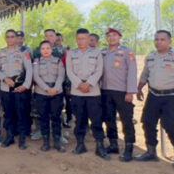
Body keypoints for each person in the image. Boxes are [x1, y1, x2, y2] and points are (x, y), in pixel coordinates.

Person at [135, 30, 174, 170]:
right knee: (148, 122)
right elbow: (145, 74)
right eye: (156, 39)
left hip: (171, 96)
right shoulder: (150, 57)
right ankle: (151, 151)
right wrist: (139, 88)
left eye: (162, 39)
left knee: (171, 125)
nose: (158, 42)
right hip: (153, 95)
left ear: (169, 41)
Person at [67, 28, 108, 159]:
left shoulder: (97, 52)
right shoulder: (71, 53)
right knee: (79, 119)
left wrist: (89, 83)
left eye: (83, 38)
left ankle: (99, 146)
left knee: (96, 120)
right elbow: (69, 71)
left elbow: (99, 70)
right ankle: (80, 144)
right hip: (77, 91)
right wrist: (80, 84)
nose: (81, 41)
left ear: (89, 38)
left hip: (93, 91)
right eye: (78, 38)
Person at [100, 28, 137, 161]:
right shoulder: (103, 52)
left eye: (114, 35)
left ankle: (129, 148)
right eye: (109, 36)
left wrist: (130, 91)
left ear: (119, 37)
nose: (111, 38)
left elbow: (132, 71)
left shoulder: (127, 52)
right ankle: (113, 144)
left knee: (126, 120)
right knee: (109, 119)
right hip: (105, 90)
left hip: (122, 92)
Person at [0, 29, 33, 150]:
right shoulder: (1, 53)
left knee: (20, 114)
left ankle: (21, 139)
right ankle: (9, 137)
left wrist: (25, 85)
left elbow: (30, 69)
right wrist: (4, 78)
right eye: (8, 37)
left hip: (19, 88)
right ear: (6, 39)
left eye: (12, 37)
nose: (10, 39)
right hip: (6, 88)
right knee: (8, 114)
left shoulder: (23, 52)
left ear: (16, 38)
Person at [32, 40, 66, 152]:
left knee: (56, 117)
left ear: (51, 49)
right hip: (41, 93)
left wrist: (55, 88)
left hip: (56, 92)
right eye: (43, 48)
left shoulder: (58, 61)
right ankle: (46, 142)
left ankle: (57, 142)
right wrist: (47, 89)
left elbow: (61, 76)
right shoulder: (36, 62)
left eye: (48, 48)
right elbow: (36, 77)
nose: (45, 51)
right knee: (44, 118)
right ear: (40, 50)